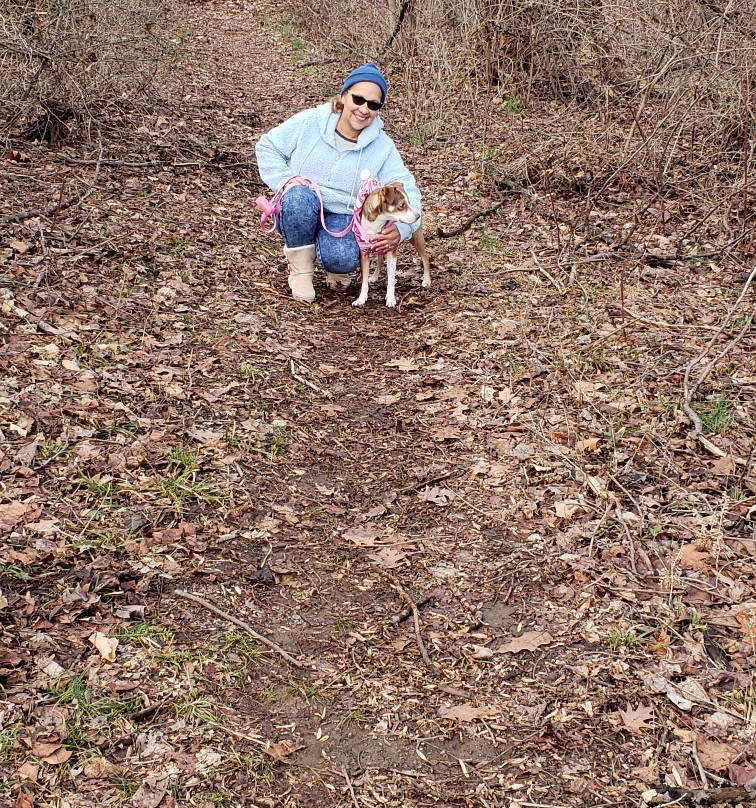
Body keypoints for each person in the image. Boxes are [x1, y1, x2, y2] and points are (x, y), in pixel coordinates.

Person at [255, 63, 423, 302]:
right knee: (298, 197)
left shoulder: (382, 147)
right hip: (300, 204)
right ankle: (301, 269)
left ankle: (334, 262)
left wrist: (402, 229)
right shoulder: (310, 122)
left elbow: (408, 188)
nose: (364, 109)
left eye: (373, 104)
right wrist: (286, 179)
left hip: (343, 217)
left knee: (342, 256)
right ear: (344, 96)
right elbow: (267, 146)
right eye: (358, 99)